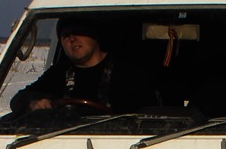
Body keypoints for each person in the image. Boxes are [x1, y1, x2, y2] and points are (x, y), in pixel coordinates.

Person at [10, 19, 153, 115]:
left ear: (94, 35)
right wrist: (33, 104)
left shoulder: (127, 70)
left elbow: (148, 114)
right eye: (65, 35)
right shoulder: (59, 72)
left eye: (78, 31)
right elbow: (17, 100)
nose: (72, 39)